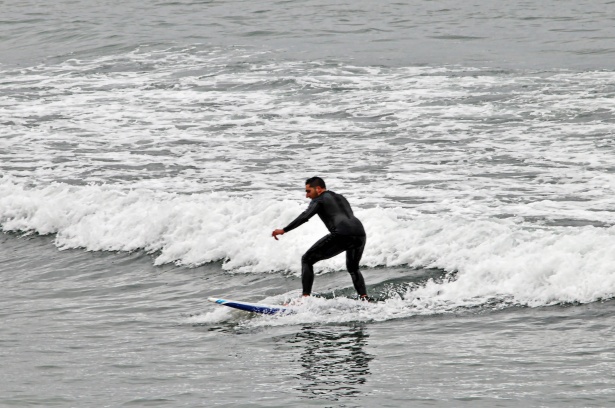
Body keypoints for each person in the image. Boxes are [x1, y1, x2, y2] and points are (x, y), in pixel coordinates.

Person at [272, 177, 370, 300]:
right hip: (360, 233)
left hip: (342, 234)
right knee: (353, 268)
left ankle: (305, 299)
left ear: (318, 189)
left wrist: (284, 230)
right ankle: (364, 297)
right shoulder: (341, 197)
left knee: (307, 259)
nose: (307, 195)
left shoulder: (319, 200)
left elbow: (305, 216)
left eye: (308, 191)